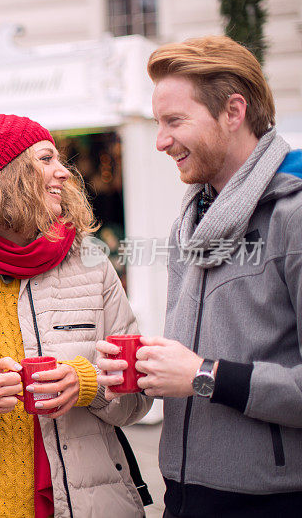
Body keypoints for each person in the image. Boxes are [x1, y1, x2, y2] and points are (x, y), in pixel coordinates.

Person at [0, 114, 152, 518]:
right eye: (46, 159)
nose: (64, 173)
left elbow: (138, 398)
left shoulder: (93, 266)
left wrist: (87, 384)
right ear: (8, 178)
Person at [96, 35, 302, 517]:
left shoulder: (293, 215)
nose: (161, 141)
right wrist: (146, 368)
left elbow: (201, 371)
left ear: (234, 111)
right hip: (186, 495)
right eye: (157, 123)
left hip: (273, 502)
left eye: (175, 121)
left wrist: (204, 375)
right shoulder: (192, 216)